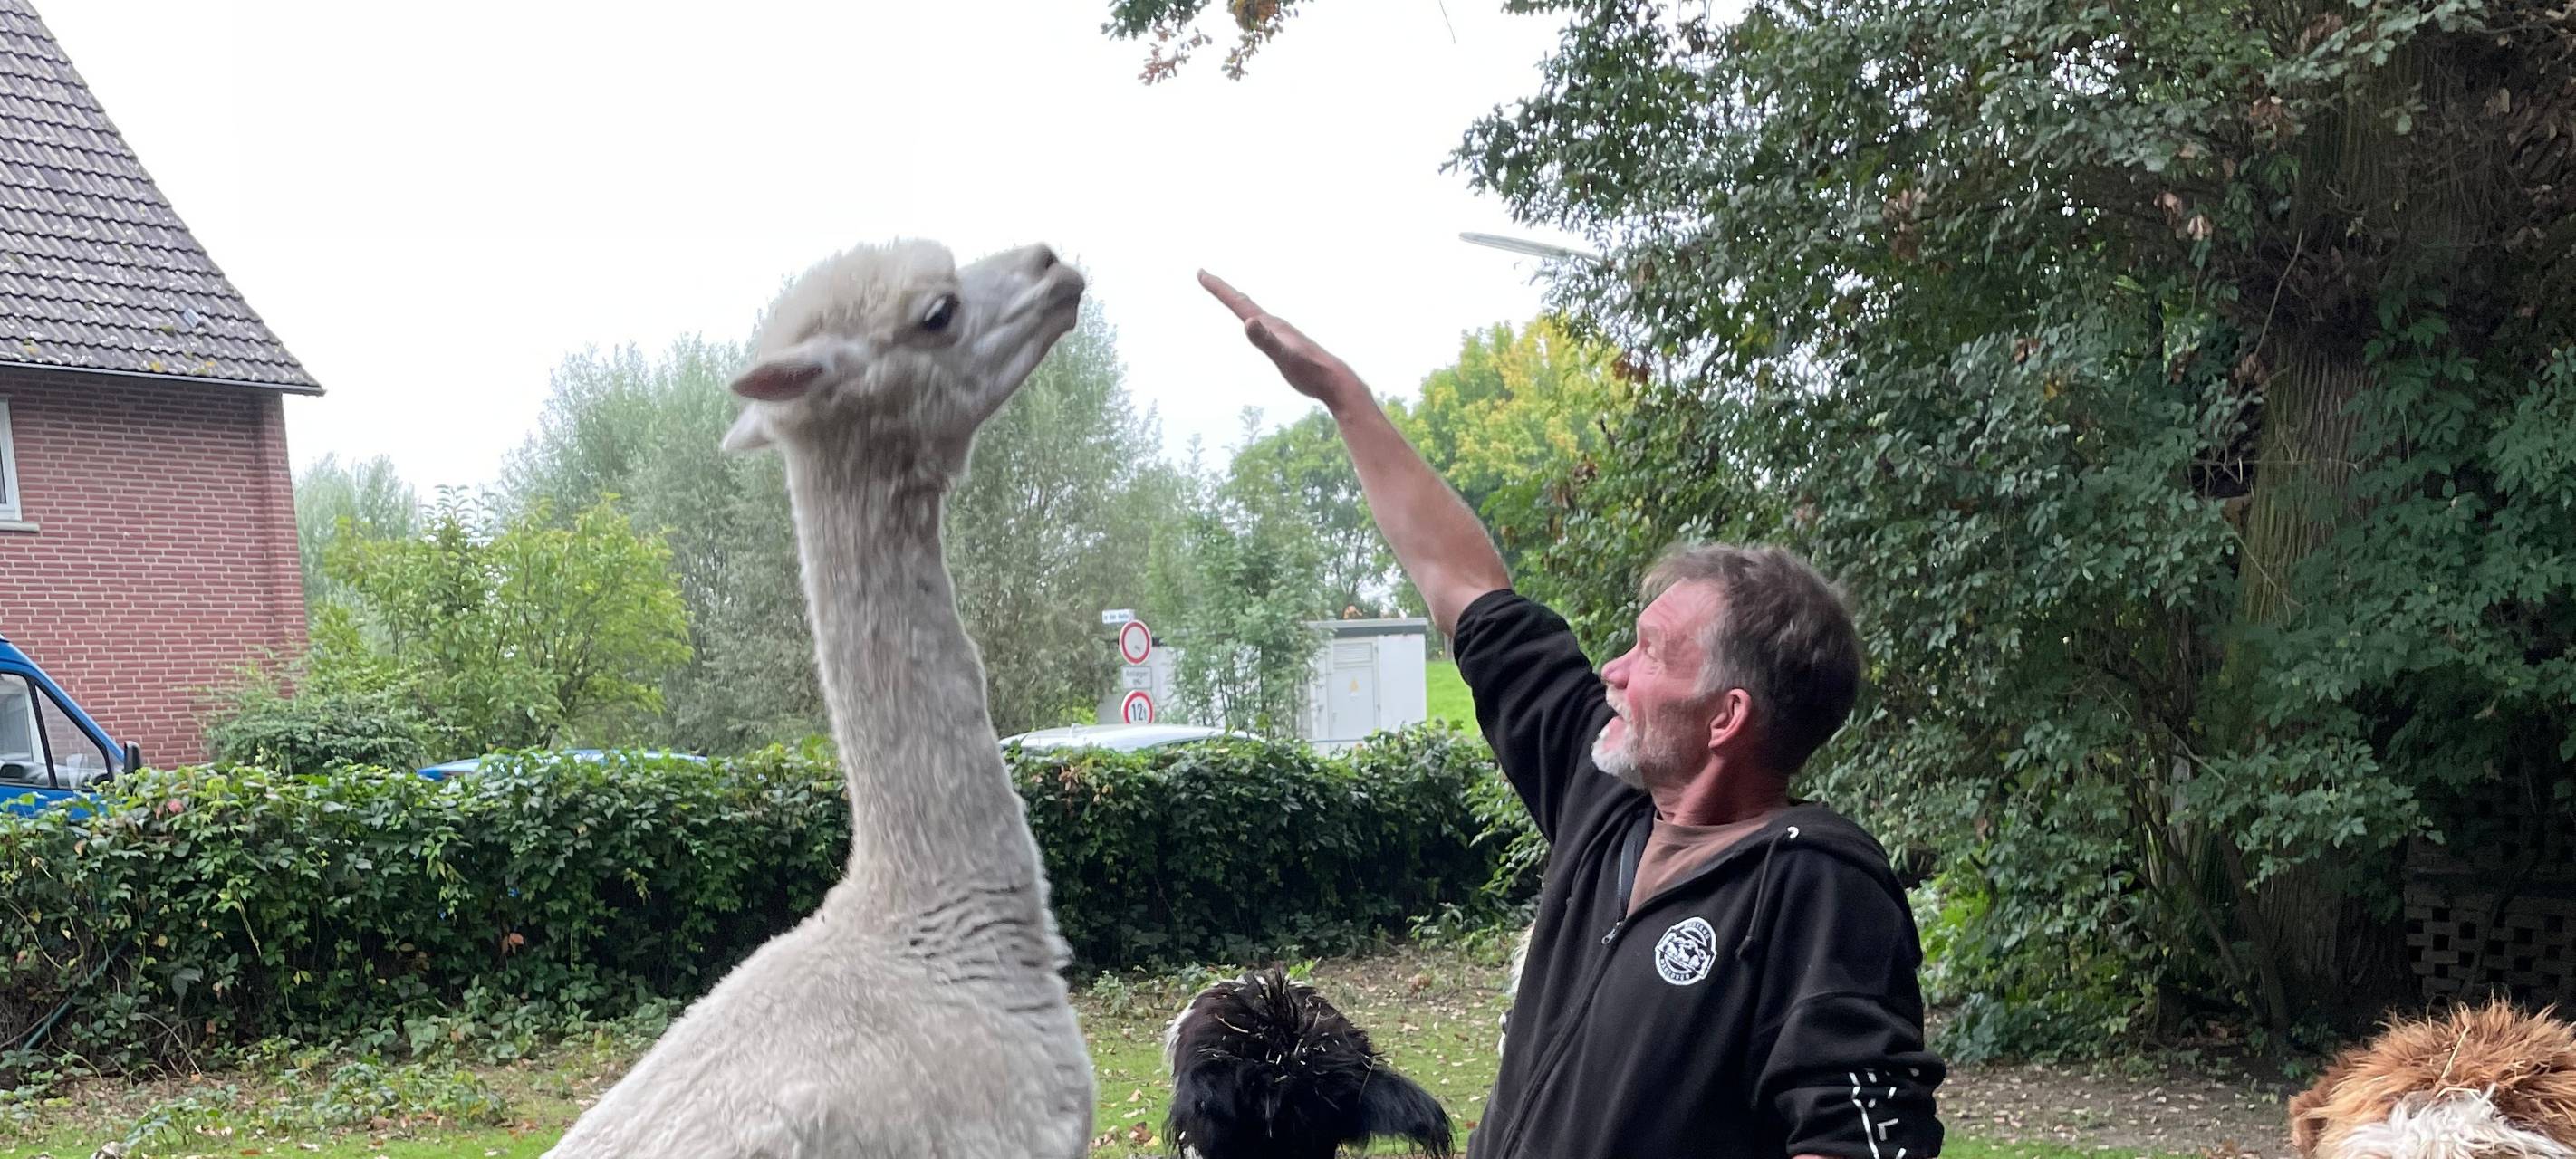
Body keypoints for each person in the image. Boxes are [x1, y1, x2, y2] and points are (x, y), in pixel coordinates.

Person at [1199, 270, 1946, 1159]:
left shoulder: (1815, 884)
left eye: (1652, 652)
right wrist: (1343, 395)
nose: (1613, 670)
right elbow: (1467, 587)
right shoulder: (1605, 792)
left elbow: (1858, 1142)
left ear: (1725, 716)